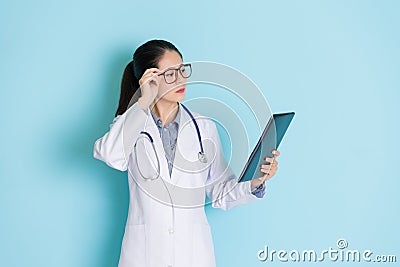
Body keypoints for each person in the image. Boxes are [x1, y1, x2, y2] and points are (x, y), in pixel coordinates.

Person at [93, 39, 280, 267]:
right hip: (144, 255)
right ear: (149, 79)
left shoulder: (204, 127)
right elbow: (111, 156)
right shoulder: (132, 123)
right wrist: (142, 102)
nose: (181, 79)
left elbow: (221, 191)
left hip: (192, 255)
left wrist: (256, 182)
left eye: (182, 70)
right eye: (170, 74)